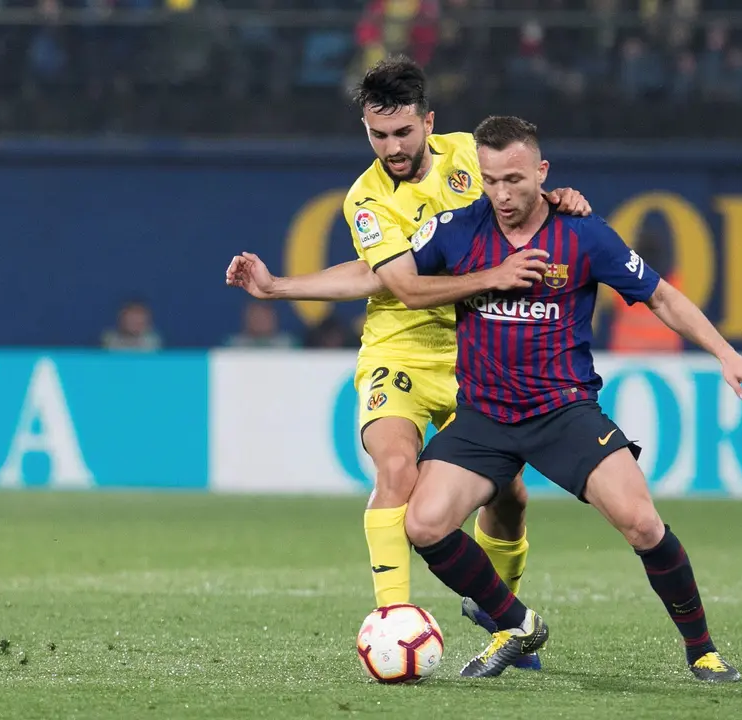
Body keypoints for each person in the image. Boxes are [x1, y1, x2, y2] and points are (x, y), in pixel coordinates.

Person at [254, 115, 742, 680]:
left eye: (515, 180)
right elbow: (380, 276)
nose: (502, 193)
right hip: (484, 418)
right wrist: (280, 287)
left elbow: (662, 297)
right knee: (423, 524)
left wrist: (727, 354)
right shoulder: (456, 230)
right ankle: (515, 624)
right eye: (492, 179)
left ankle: (703, 651)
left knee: (643, 525)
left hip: (563, 412)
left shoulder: (582, 232)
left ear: (542, 173)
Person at [226, 56, 591, 671]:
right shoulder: (365, 199)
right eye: (377, 134)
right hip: (397, 351)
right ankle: (394, 619)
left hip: (476, 354)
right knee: (396, 468)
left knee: (509, 497)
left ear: (429, 122)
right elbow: (395, 284)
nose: (391, 147)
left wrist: (556, 200)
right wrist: (277, 288)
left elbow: (521, 200)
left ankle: (504, 622)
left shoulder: (470, 159)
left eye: (402, 133)